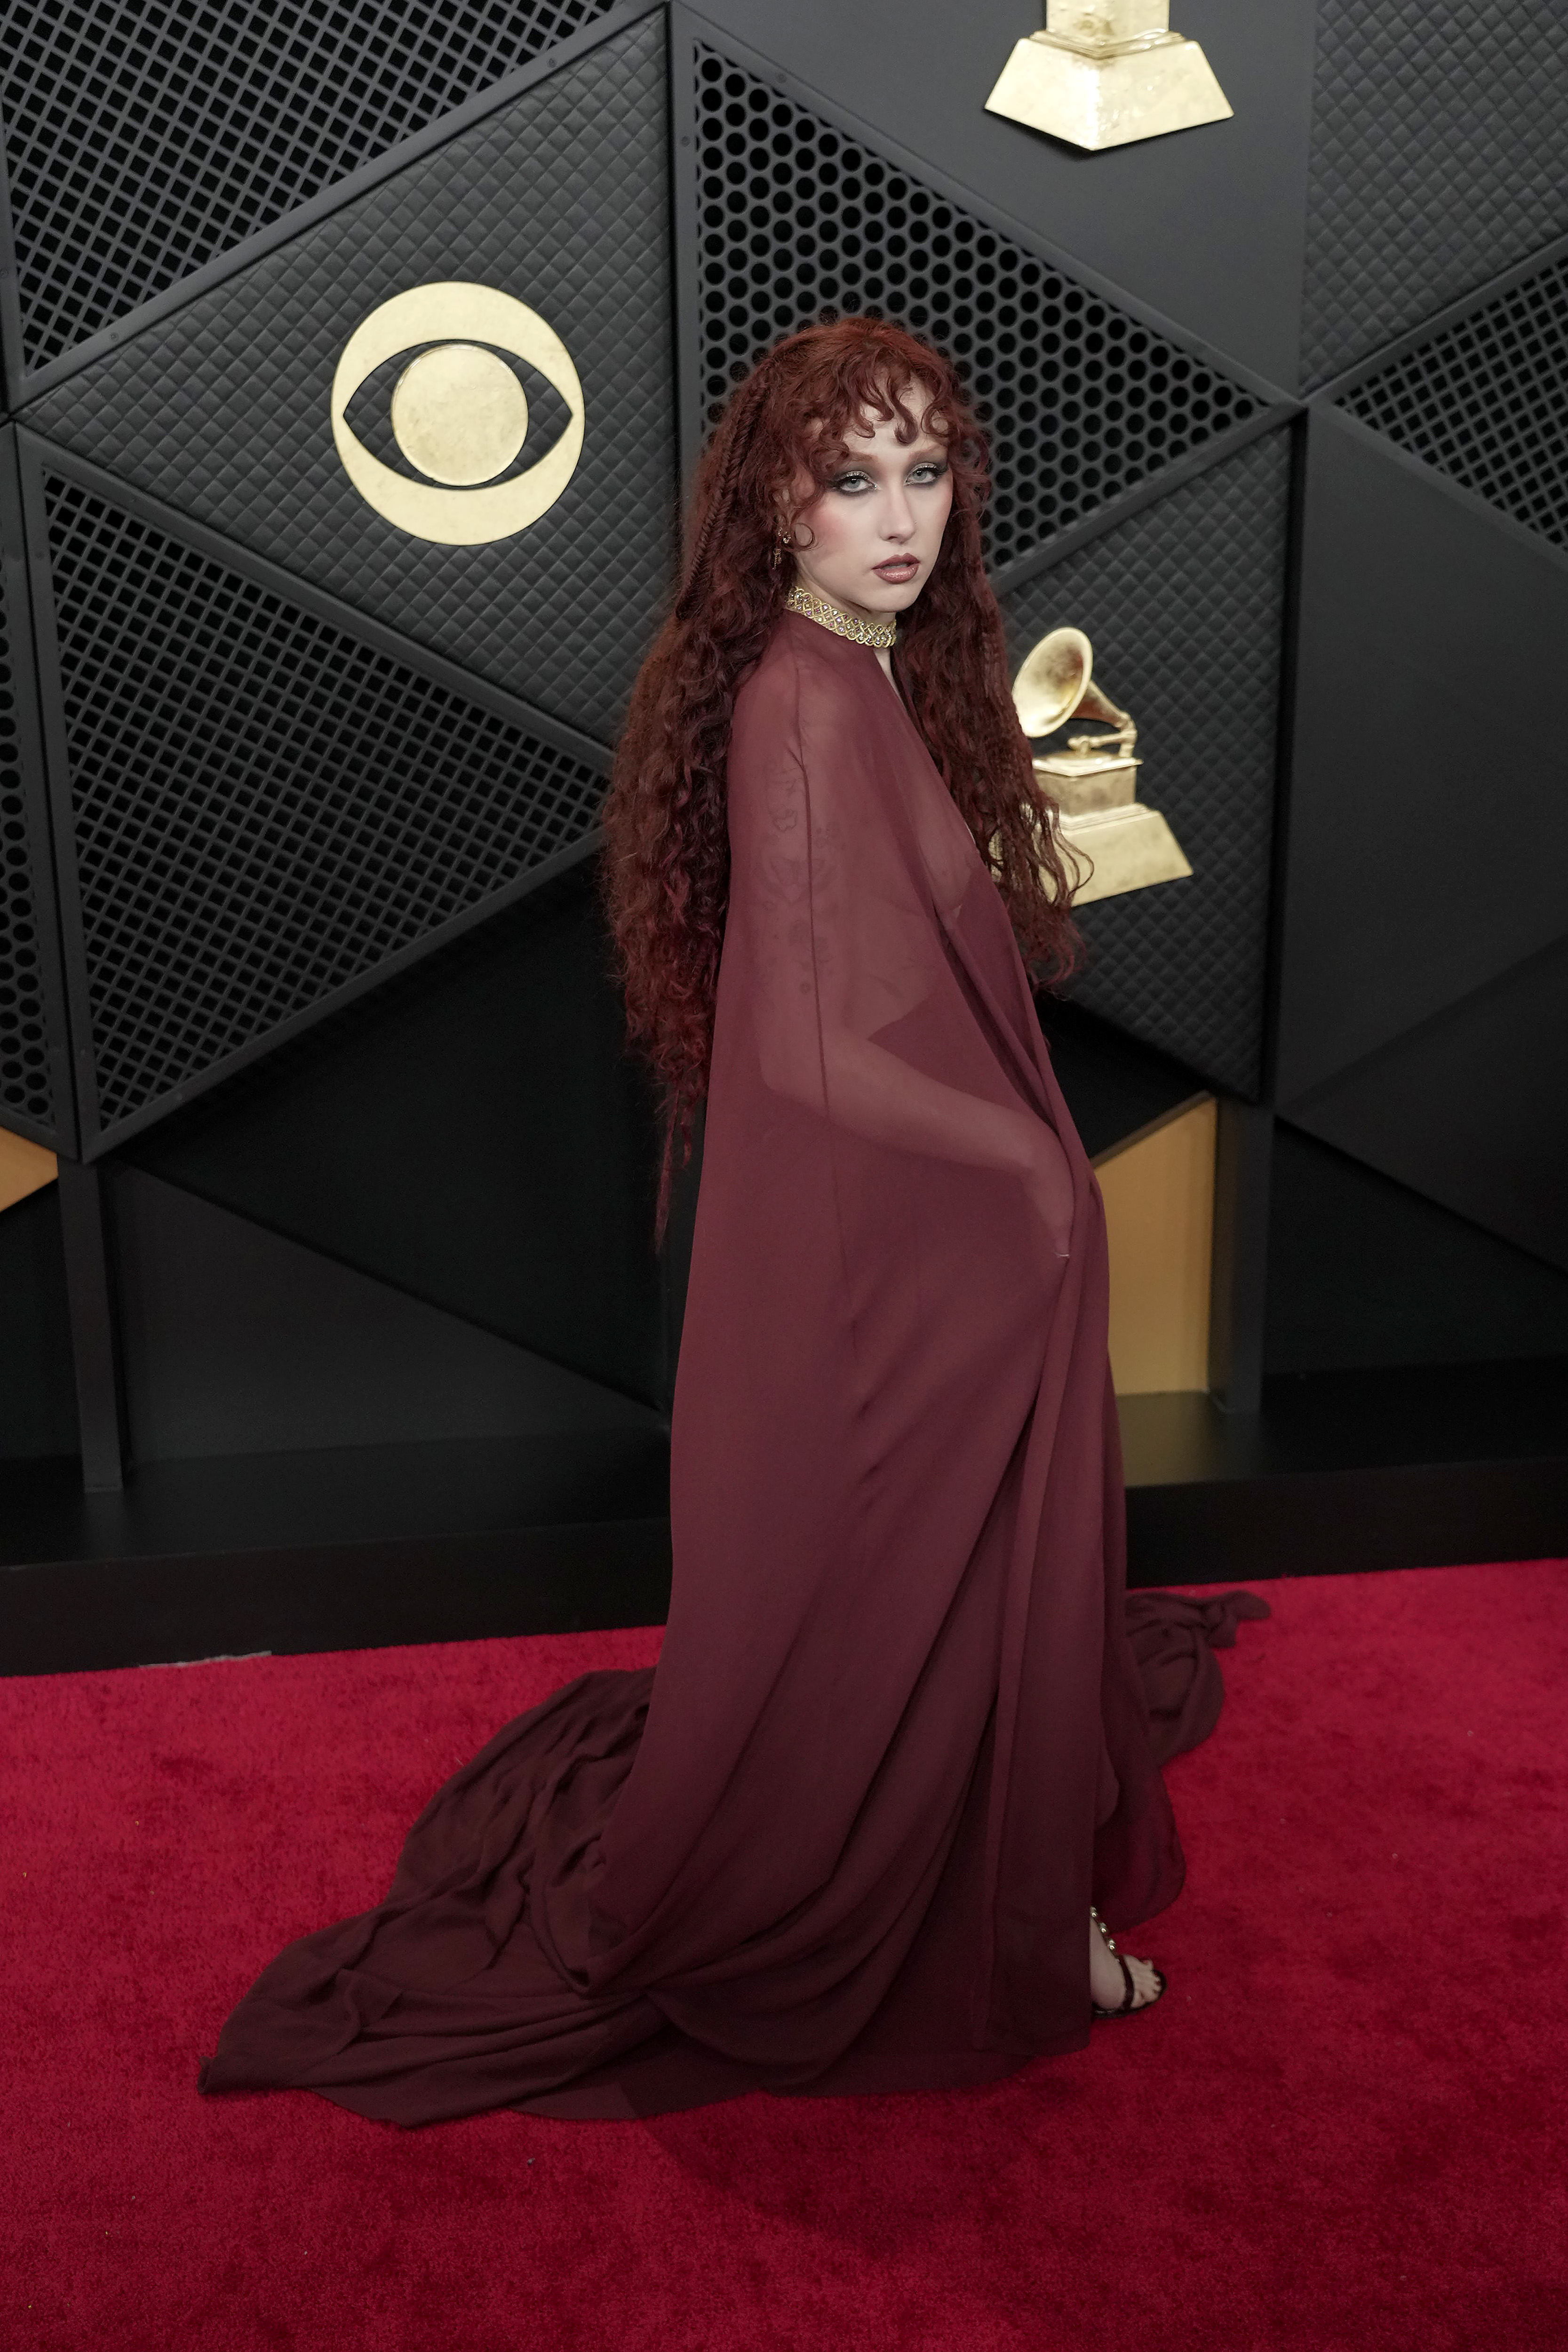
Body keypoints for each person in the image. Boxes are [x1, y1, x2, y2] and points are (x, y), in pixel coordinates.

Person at [199, 318, 1181, 2127]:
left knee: (943, 1586)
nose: (900, 516)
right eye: (849, 479)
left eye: (926, 471)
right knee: (898, 1586)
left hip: (903, 1229)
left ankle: (1025, 1904)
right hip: (880, 1251)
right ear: (775, 511)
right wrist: (1028, 1167)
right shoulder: (806, 704)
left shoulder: (865, 671)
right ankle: (1006, 1933)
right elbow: (807, 1053)